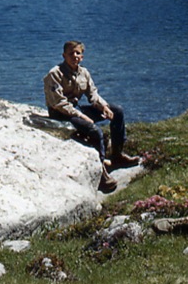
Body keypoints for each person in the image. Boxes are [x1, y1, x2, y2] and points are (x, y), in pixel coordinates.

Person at [43, 40, 140, 193]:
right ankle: (101, 172)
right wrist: (82, 116)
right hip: (61, 114)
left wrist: (104, 107)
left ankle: (117, 155)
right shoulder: (54, 74)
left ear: (82, 56)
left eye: (78, 53)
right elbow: (59, 103)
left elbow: (92, 94)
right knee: (95, 131)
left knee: (117, 112)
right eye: (71, 53)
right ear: (64, 55)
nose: (75, 56)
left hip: (77, 109)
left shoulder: (84, 73)